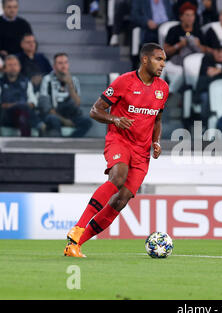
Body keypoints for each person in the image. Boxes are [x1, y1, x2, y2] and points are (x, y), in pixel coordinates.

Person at [64, 43, 169, 258]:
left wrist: (156, 141)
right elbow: (95, 111)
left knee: (120, 201)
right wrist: (114, 119)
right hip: (119, 140)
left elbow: (157, 118)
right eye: (159, 59)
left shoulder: (163, 88)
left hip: (142, 153)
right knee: (118, 177)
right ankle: (78, 228)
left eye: (164, 60)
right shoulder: (124, 82)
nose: (163, 64)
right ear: (145, 60)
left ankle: (75, 245)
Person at [39, 53, 92, 137]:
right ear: (54, 66)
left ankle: (71, 142)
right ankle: (59, 146)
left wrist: (70, 85)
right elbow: (46, 107)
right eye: (60, 63)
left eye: (65, 62)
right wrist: (64, 121)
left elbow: (77, 103)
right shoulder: (47, 80)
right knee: (52, 119)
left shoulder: (74, 80)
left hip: (70, 114)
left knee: (87, 122)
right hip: (54, 114)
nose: (64, 66)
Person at [163, 2, 205, 92]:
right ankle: (169, 93)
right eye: (187, 15)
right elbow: (165, 51)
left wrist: (198, 45)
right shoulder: (174, 30)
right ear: (181, 17)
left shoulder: (198, 31)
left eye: (192, 15)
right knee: (180, 73)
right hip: (175, 63)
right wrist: (179, 45)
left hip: (193, 64)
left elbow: (206, 50)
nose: (190, 18)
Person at [196, 39, 222, 129]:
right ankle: (204, 123)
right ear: (213, 51)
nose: (221, 54)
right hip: (206, 89)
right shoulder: (207, 58)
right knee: (205, 98)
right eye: (218, 51)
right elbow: (210, 73)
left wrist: (218, 70)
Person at [0, 55, 39, 137]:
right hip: (7, 115)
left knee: (23, 116)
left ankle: (26, 141)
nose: (13, 67)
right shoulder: (1, 82)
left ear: (19, 67)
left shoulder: (26, 81)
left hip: (24, 114)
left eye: (15, 65)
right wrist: (18, 105)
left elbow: (33, 102)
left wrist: (22, 106)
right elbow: (2, 105)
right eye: (10, 65)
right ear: (4, 68)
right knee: (23, 110)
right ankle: (39, 126)